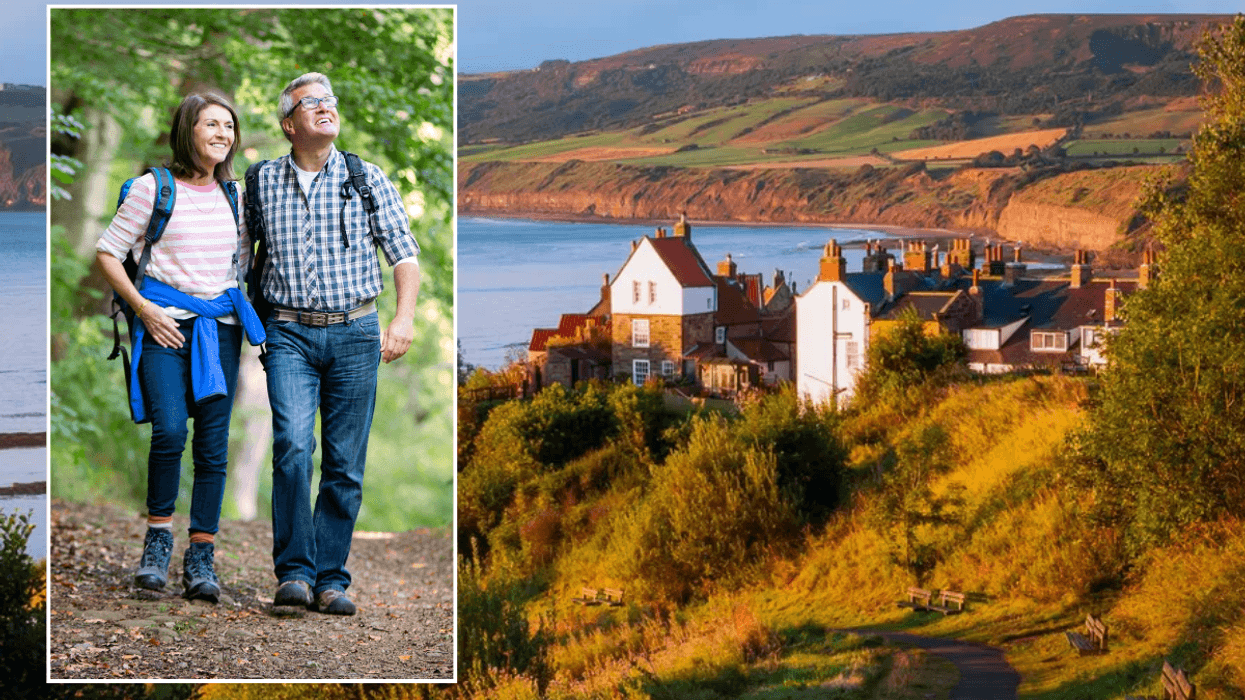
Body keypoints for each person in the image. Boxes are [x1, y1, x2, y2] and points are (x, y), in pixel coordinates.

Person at [247, 73, 420, 615]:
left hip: (356, 332)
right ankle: (294, 574)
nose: (325, 108)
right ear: (288, 124)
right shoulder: (259, 182)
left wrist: (404, 319)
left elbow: (405, 255)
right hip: (288, 333)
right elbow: (235, 258)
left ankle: (332, 580)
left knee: (344, 464)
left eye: (329, 101)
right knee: (294, 448)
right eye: (311, 103)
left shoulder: (367, 178)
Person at [97, 93, 265, 603]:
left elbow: (240, 267)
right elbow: (108, 251)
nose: (222, 133)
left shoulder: (234, 195)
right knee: (170, 429)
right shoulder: (154, 189)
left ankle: (201, 556)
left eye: (229, 126)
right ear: (187, 129)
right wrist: (143, 309)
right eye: (211, 124)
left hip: (220, 330)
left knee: (213, 449)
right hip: (163, 325)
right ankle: (157, 542)